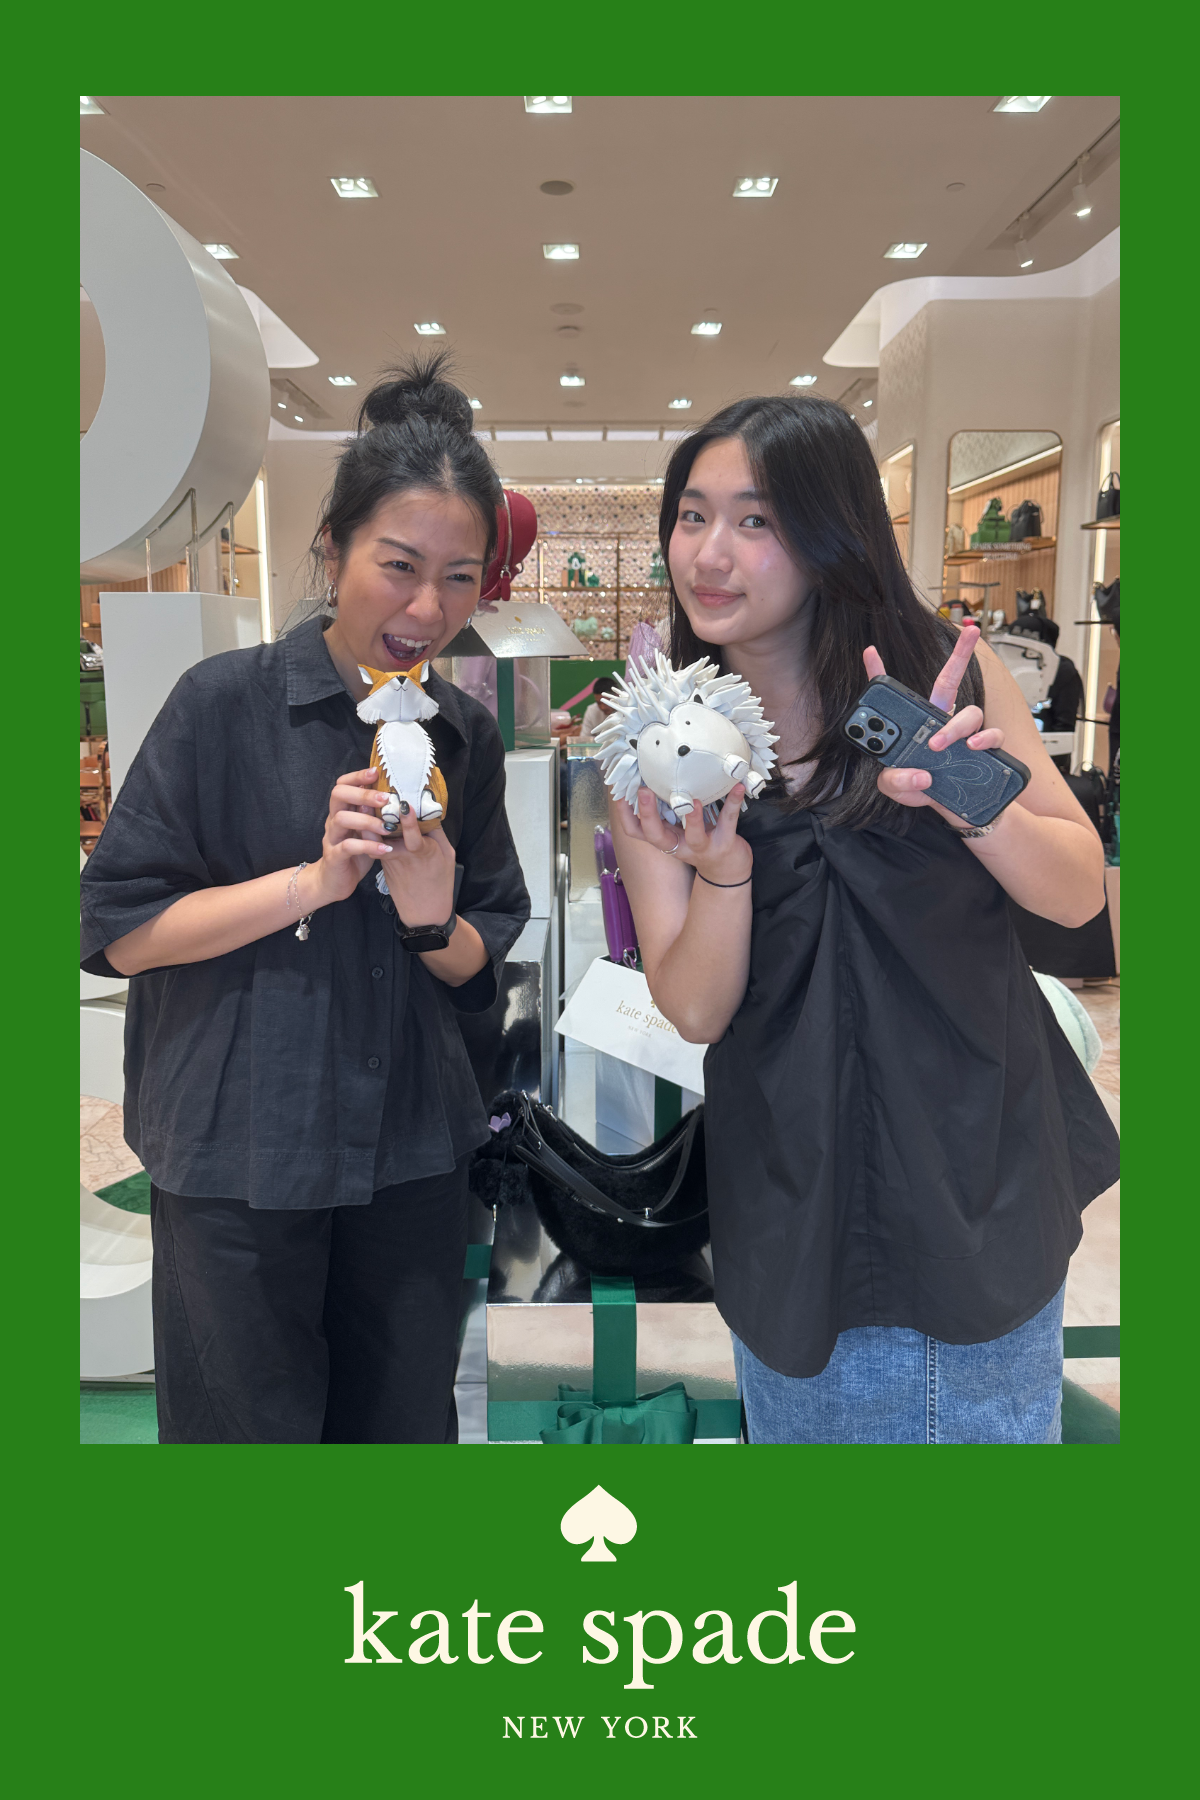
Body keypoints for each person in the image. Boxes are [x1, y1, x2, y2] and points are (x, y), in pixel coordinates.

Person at [610, 396, 1119, 1445]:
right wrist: (724, 869)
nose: (709, 553)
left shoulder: (943, 675)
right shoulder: (660, 747)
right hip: (795, 1186)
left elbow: (1076, 892)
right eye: (693, 515)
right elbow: (695, 1008)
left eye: (756, 520)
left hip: (978, 1162)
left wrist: (960, 791)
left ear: (831, 532)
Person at [80, 355, 531, 1444]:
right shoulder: (222, 705)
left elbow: (483, 950)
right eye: (399, 565)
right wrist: (314, 883)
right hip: (241, 1147)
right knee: (248, 1446)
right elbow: (119, 932)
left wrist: (430, 918)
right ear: (333, 549)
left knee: (397, 1435)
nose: (427, 607)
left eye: (460, 577)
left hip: (410, 1151)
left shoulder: (464, 733)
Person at [579, 674, 620, 740]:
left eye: (606, 702)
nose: (602, 707)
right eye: (599, 703)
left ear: (616, 695)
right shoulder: (591, 711)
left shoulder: (628, 711)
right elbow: (584, 739)